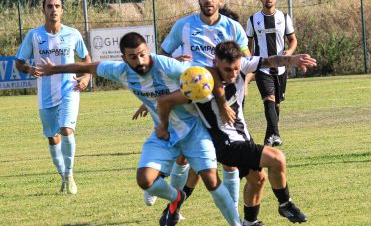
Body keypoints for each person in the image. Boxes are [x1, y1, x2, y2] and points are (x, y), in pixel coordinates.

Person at [35, 32, 242, 226]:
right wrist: (54, 69)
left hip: (193, 131)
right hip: (164, 133)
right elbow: (91, 66)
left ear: (147, 50)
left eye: (143, 54)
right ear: (124, 58)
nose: (140, 61)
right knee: (145, 180)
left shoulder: (167, 65)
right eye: (133, 57)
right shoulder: (120, 72)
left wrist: (223, 104)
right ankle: (176, 198)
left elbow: (206, 76)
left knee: (211, 180)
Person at [157, 41, 316, 225]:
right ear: (216, 62)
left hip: (242, 137)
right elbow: (168, 97)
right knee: (277, 158)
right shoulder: (202, 81)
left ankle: (250, 222)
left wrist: (291, 60)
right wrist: (154, 109)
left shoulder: (242, 66)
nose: (233, 74)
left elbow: (270, 60)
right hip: (226, 145)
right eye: (227, 69)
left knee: (258, 180)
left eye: (236, 68)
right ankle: (285, 203)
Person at [137, 0, 253, 216]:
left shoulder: (233, 27)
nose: (208, 0)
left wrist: (244, 84)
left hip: (223, 99)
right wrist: (169, 70)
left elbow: (247, 62)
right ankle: (170, 201)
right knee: (182, 156)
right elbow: (162, 57)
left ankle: (234, 213)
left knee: (229, 160)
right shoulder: (184, 26)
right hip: (189, 99)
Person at [15, 0, 91, 195]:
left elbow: (86, 58)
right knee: (52, 137)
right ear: (44, 10)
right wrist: (30, 69)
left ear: (62, 10)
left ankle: (70, 174)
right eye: (50, 6)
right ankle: (63, 176)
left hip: (69, 89)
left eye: (57, 6)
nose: (53, 9)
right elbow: (19, 62)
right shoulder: (34, 35)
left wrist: (86, 78)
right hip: (45, 95)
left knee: (66, 130)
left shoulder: (73, 34)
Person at [245, 0, 299, 147]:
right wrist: (251, 60)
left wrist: (288, 54)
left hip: (281, 69)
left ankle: (269, 136)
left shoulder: (284, 17)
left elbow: (293, 40)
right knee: (268, 99)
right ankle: (276, 134)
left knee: (276, 104)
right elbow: (247, 43)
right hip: (262, 68)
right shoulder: (253, 20)